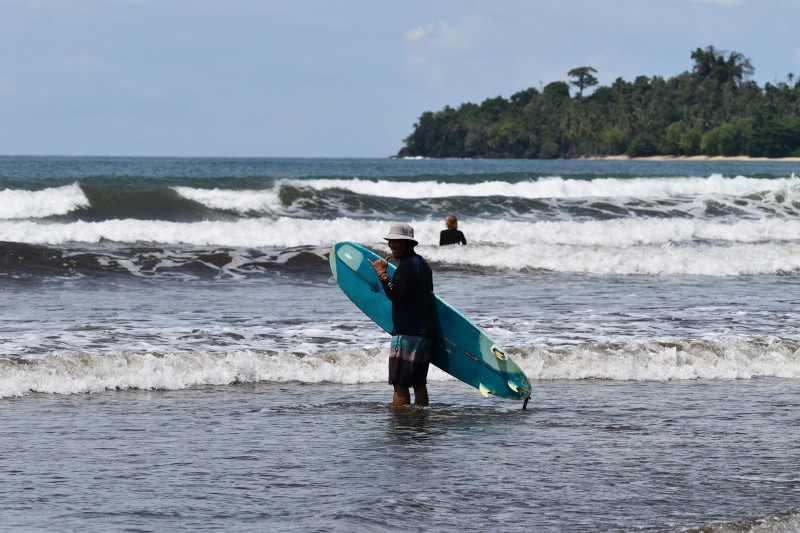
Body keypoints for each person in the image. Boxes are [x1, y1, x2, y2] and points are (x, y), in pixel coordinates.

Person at [368, 223, 435, 407]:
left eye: (398, 241)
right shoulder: (422, 264)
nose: (392, 245)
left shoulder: (407, 266)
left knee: (400, 383)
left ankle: (401, 422)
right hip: (423, 331)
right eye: (391, 241)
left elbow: (397, 295)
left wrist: (382, 274)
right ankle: (421, 418)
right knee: (418, 382)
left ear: (408, 243)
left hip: (407, 332)